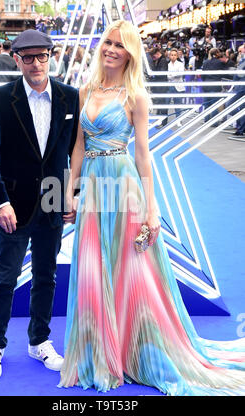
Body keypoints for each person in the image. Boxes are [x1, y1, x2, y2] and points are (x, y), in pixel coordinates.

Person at [58, 19, 245, 396]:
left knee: (132, 271)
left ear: (131, 54)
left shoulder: (136, 97)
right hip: (93, 185)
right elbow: (77, 146)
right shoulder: (84, 91)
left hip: (125, 185)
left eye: (120, 45)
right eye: (108, 42)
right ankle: (99, 352)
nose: (111, 49)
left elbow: (143, 154)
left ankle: (137, 351)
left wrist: (152, 208)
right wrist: (68, 190)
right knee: (94, 267)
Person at [0, 29, 79, 382]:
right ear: (17, 60)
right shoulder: (1, 98)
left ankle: (39, 340)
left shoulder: (70, 98)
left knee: (46, 276)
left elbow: (74, 154)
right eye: (28, 57)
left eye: (42, 56)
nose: (36, 63)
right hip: (12, 203)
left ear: (51, 57)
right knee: (4, 277)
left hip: (53, 198)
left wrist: (74, 193)